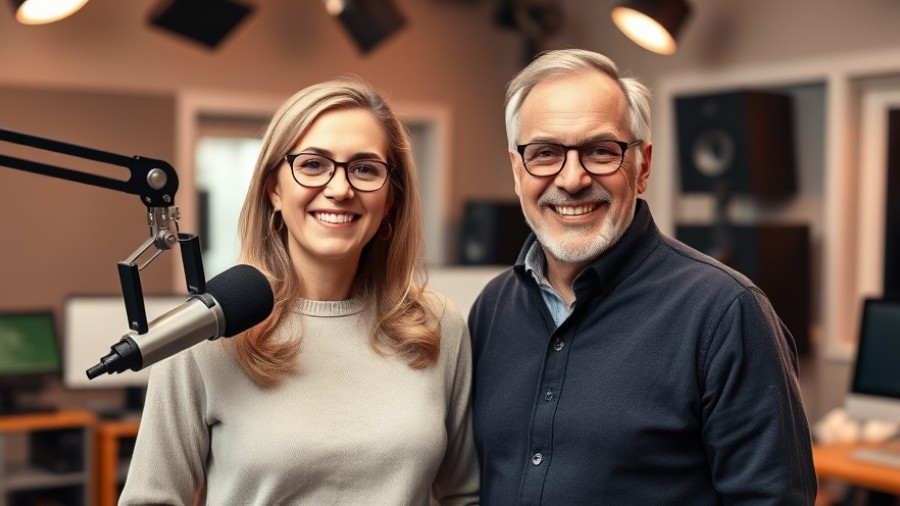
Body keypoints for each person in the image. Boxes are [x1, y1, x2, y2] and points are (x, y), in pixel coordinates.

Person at [467, 49, 817, 505]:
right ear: (518, 172)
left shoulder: (726, 314)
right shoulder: (492, 309)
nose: (572, 179)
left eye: (600, 151)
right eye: (545, 153)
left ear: (642, 166)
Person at [119, 77, 479, 505]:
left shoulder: (438, 326)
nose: (340, 189)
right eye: (312, 164)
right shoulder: (205, 331)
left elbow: (464, 495)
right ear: (274, 188)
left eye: (365, 168)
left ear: (390, 202)